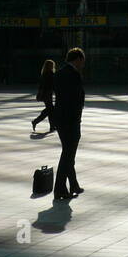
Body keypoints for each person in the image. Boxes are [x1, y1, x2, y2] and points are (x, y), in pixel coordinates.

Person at [52, 48, 86, 201]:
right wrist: (77, 118)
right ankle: (59, 189)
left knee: (68, 152)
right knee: (68, 155)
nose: (83, 64)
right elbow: (77, 99)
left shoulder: (58, 73)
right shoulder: (74, 75)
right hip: (71, 120)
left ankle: (73, 185)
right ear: (78, 59)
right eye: (82, 61)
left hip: (60, 118)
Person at [31, 59, 55, 138]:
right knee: (50, 110)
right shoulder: (50, 74)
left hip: (45, 95)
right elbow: (52, 84)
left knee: (50, 110)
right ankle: (36, 121)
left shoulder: (44, 74)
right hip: (48, 94)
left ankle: (51, 126)